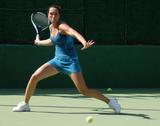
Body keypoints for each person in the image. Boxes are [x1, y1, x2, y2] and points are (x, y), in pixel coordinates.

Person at [12, 4, 121, 113]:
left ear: (59, 15)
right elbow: (52, 41)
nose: (53, 16)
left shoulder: (62, 27)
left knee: (83, 90)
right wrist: (39, 42)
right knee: (34, 77)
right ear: (48, 15)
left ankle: (110, 101)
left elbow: (74, 33)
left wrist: (84, 42)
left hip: (70, 63)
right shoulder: (51, 27)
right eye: (51, 14)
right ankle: (25, 104)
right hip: (56, 62)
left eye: (55, 14)